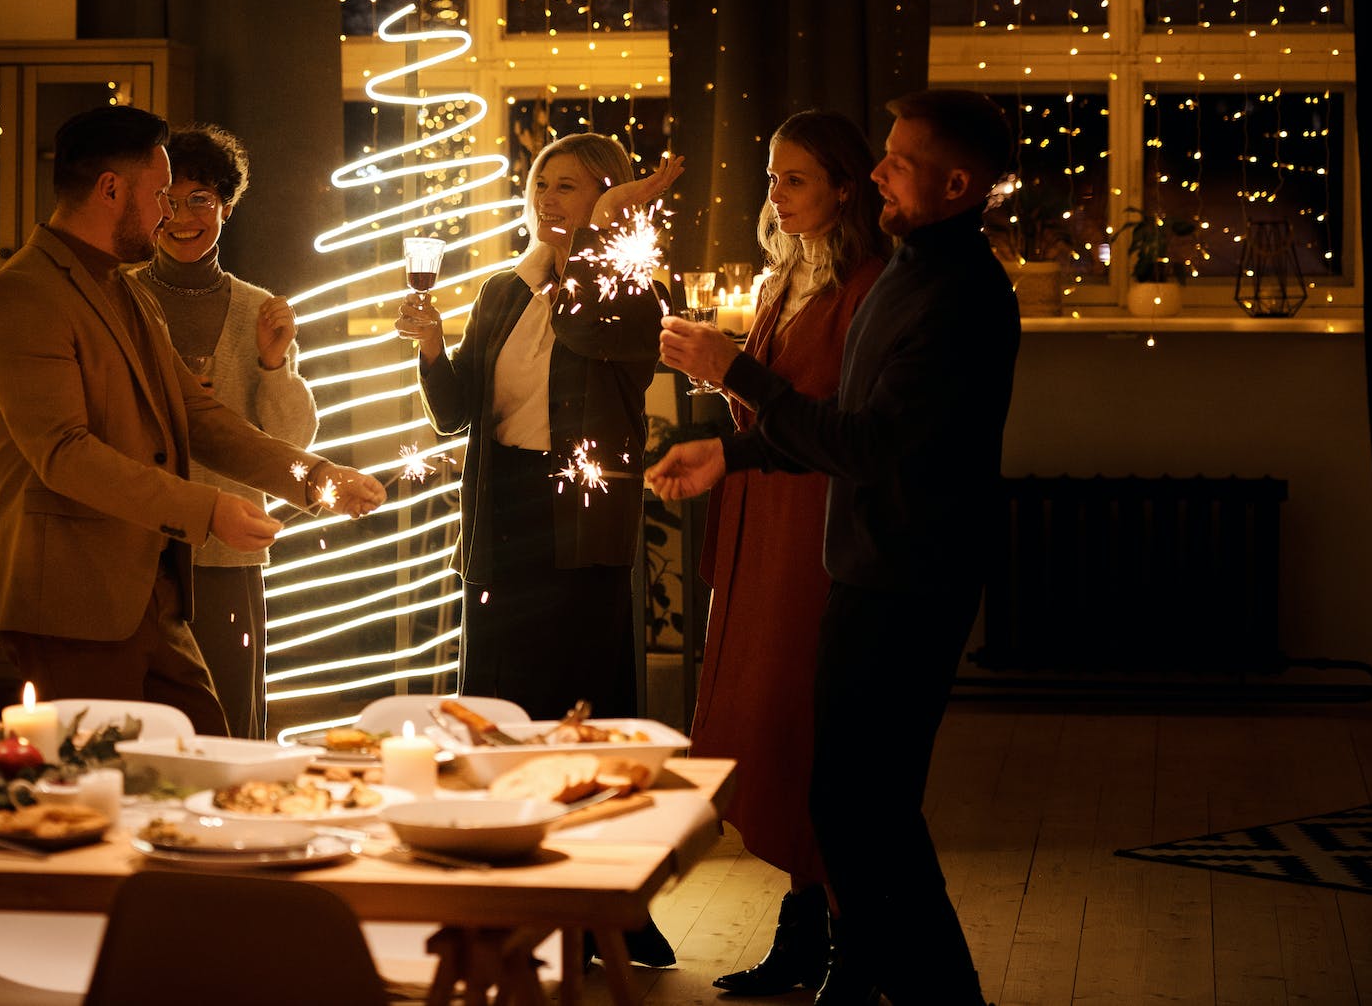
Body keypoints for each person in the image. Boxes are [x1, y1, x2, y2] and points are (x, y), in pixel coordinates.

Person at [648, 90, 1019, 1006]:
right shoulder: (911, 272)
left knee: (867, 813)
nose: (880, 174)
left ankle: (904, 985)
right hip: (866, 569)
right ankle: (882, 981)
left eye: (899, 162)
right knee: (853, 808)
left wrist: (732, 372)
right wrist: (728, 451)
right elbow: (838, 426)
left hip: (909, 580)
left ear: (958, 183)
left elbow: (863, 446)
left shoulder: (958, 296)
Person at [0, 104, 384, 735]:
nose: (169, 212)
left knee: (212, 751)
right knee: (98, 789)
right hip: (70, 601)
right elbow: (65, 454)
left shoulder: (124, 289)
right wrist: (207, 510)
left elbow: (197, 415)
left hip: (150, 591)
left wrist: (315, 477)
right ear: (111, 189)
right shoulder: (24, 293)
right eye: (160, 193)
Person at [660, 111, 889, 999]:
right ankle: (801, 931)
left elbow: (826, 418)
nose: (777, 195)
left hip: (811, 527)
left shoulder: (863, 287)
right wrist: (721, 393)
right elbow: (765, 404)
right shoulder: (785, 275)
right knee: (766, 717)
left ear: (844, 186)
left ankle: (846, 942)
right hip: (762, 512)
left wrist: (735, 376)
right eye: (770, 177)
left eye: (796, 179)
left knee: (804, 722)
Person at [397, 134, 683, 722]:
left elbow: (582, 328)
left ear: (609, 197)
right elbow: (454, 415)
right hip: (502, 508)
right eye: (541, 186)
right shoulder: (502, 291)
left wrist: (603, 226)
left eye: (568, 187)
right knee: (497, 697)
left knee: (574, 697)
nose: (547, 199)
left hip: (581, 512)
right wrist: (431, 346)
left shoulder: (637, 294)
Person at [127, 124, 317, 739]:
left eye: (200, 200)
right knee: (143, 721)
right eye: (168, 201)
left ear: (226, 207)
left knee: (230, 718)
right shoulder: (119, 298)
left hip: (225, 547)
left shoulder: (259, 309)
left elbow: (292, 439)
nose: (183, 218)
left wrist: (270, 363)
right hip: (136, 541)